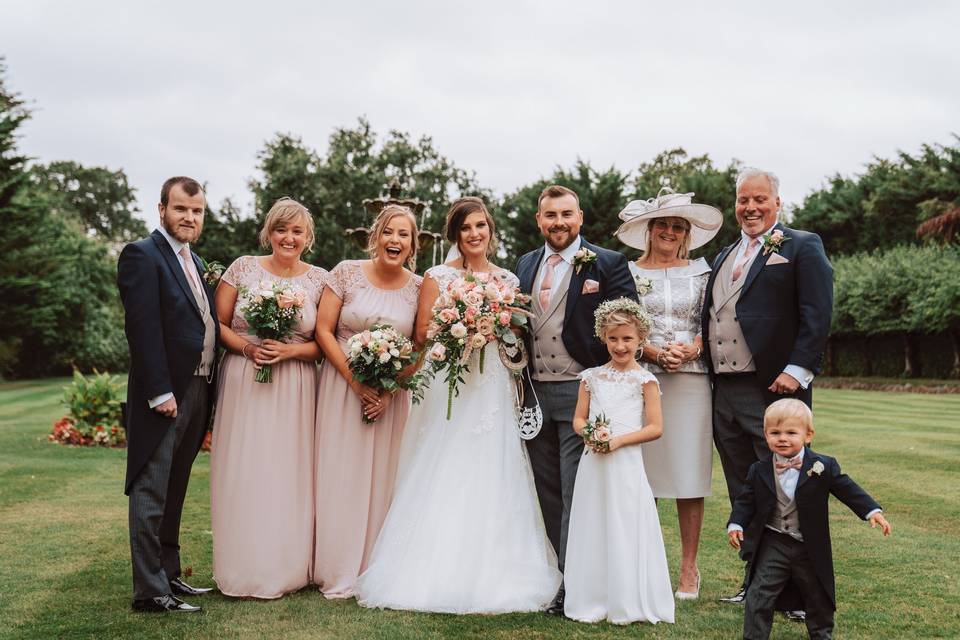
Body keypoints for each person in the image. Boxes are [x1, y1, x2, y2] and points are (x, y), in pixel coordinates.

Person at [355, 197, 561, 614]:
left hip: (492, 387)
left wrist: (491, 330)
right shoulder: (436, 276)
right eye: (466, 228)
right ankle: (430, 569)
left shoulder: (506, 277)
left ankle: (499, 570)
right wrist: (460, 330)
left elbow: (517, 334)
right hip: (448, 384)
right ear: (455, 234)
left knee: (494, 467)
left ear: (490, 230)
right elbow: (423, 332)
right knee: (444, 463)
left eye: (481, 226)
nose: (474, 234)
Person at [702, 168, 834, 613]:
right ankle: (756, 582)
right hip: (725, 390)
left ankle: (798, 593)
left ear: (777, 202)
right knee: (748, 490)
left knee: (790, 491)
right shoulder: (723, 255)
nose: (751, 208)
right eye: (743, 200)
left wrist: (796, 371)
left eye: (760, 199)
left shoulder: (801, 245)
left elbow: (817, 312)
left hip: (775, 390)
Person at [515, 185, 637, 614]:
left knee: (573, 490)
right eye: (550, 215)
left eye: (566, 214)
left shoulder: (608, 263)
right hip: (532, 392)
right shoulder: (525, 264)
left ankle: (572, 583)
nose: (559, 222)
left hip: (581, 391)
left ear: (580, 217)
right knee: (545, 490)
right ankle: (554, 573)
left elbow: (630, 323)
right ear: (539, 220)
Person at [209, 198, 327, 598]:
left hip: (296, 383)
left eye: (297, 231)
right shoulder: (242, 267)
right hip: (245, 380)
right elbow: (217, 324)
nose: (288, 238)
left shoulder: (319, 280)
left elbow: (324, 342)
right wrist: (248, 349)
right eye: (281, 229)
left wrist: (289, 351)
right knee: (246, 467)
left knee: (289, 470)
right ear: (269, 232)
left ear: (307, 237)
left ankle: (289, 566)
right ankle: (243, 565)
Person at [614, 189, 722, 599]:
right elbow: (619, 322)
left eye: (678, 226)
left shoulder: (703, 272)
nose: (670, 231)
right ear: (649, 229)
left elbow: (713, 318)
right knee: (642, 474)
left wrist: (694, 346)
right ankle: (645, 562)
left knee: (689, 473)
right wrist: (654, 351)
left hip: (692, 380)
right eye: (663, 224)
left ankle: (689, 569)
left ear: (686, 234)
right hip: (642, 379)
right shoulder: (627, 272)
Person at [117, 176, 219, 613]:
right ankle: (150, 592)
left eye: (196, 211)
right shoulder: (142, 255)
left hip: (198, 387)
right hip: (165, 393)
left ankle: (170, 576)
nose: (189, 217)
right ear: (162, 209)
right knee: (151, 490)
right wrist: (159, 391)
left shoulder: (191, 259)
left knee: (175, 488)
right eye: (181, 209)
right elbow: (142, 329)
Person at [313, 205, 423, 598]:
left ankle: (375, 567)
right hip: (343, 389)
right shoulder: (344, 272)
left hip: (391, 398)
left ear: (413, 244)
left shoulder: (419, 285)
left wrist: (390, 391)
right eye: (389, 232)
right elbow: (324, 331)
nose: (395, 240)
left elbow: (421, 345)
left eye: (404, 235)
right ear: (376, 235)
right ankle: (336, 565)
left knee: (383, 477)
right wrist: (356, 382)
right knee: (340, 473)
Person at [727, 399, 891, 639]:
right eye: (775, 433)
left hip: (809, 544)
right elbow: (745, 501)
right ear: (765, 434)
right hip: (774, 541)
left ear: (808, 434)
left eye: (791, 432)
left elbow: (847, 489)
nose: (782, 438)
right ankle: (754, 636)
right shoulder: (759, 469)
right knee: (760, 592)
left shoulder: (823, 466)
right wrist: (736, 524)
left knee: (817, 593)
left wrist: (871, 511)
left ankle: (821, 633)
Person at [564, 298, 675, 625]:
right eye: (613, 338)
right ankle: (592, 596)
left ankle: (626, 598)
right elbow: (578, 419)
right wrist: (591, 435)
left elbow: (655, 427)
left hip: (625, 463)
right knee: (593, 521)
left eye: (627, 338)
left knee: (624, 522)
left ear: (640, 339)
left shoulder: (646, 381)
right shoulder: (591, 377)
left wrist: (617, 441)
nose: (620, 345)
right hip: (594, 461)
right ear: (603, 337)